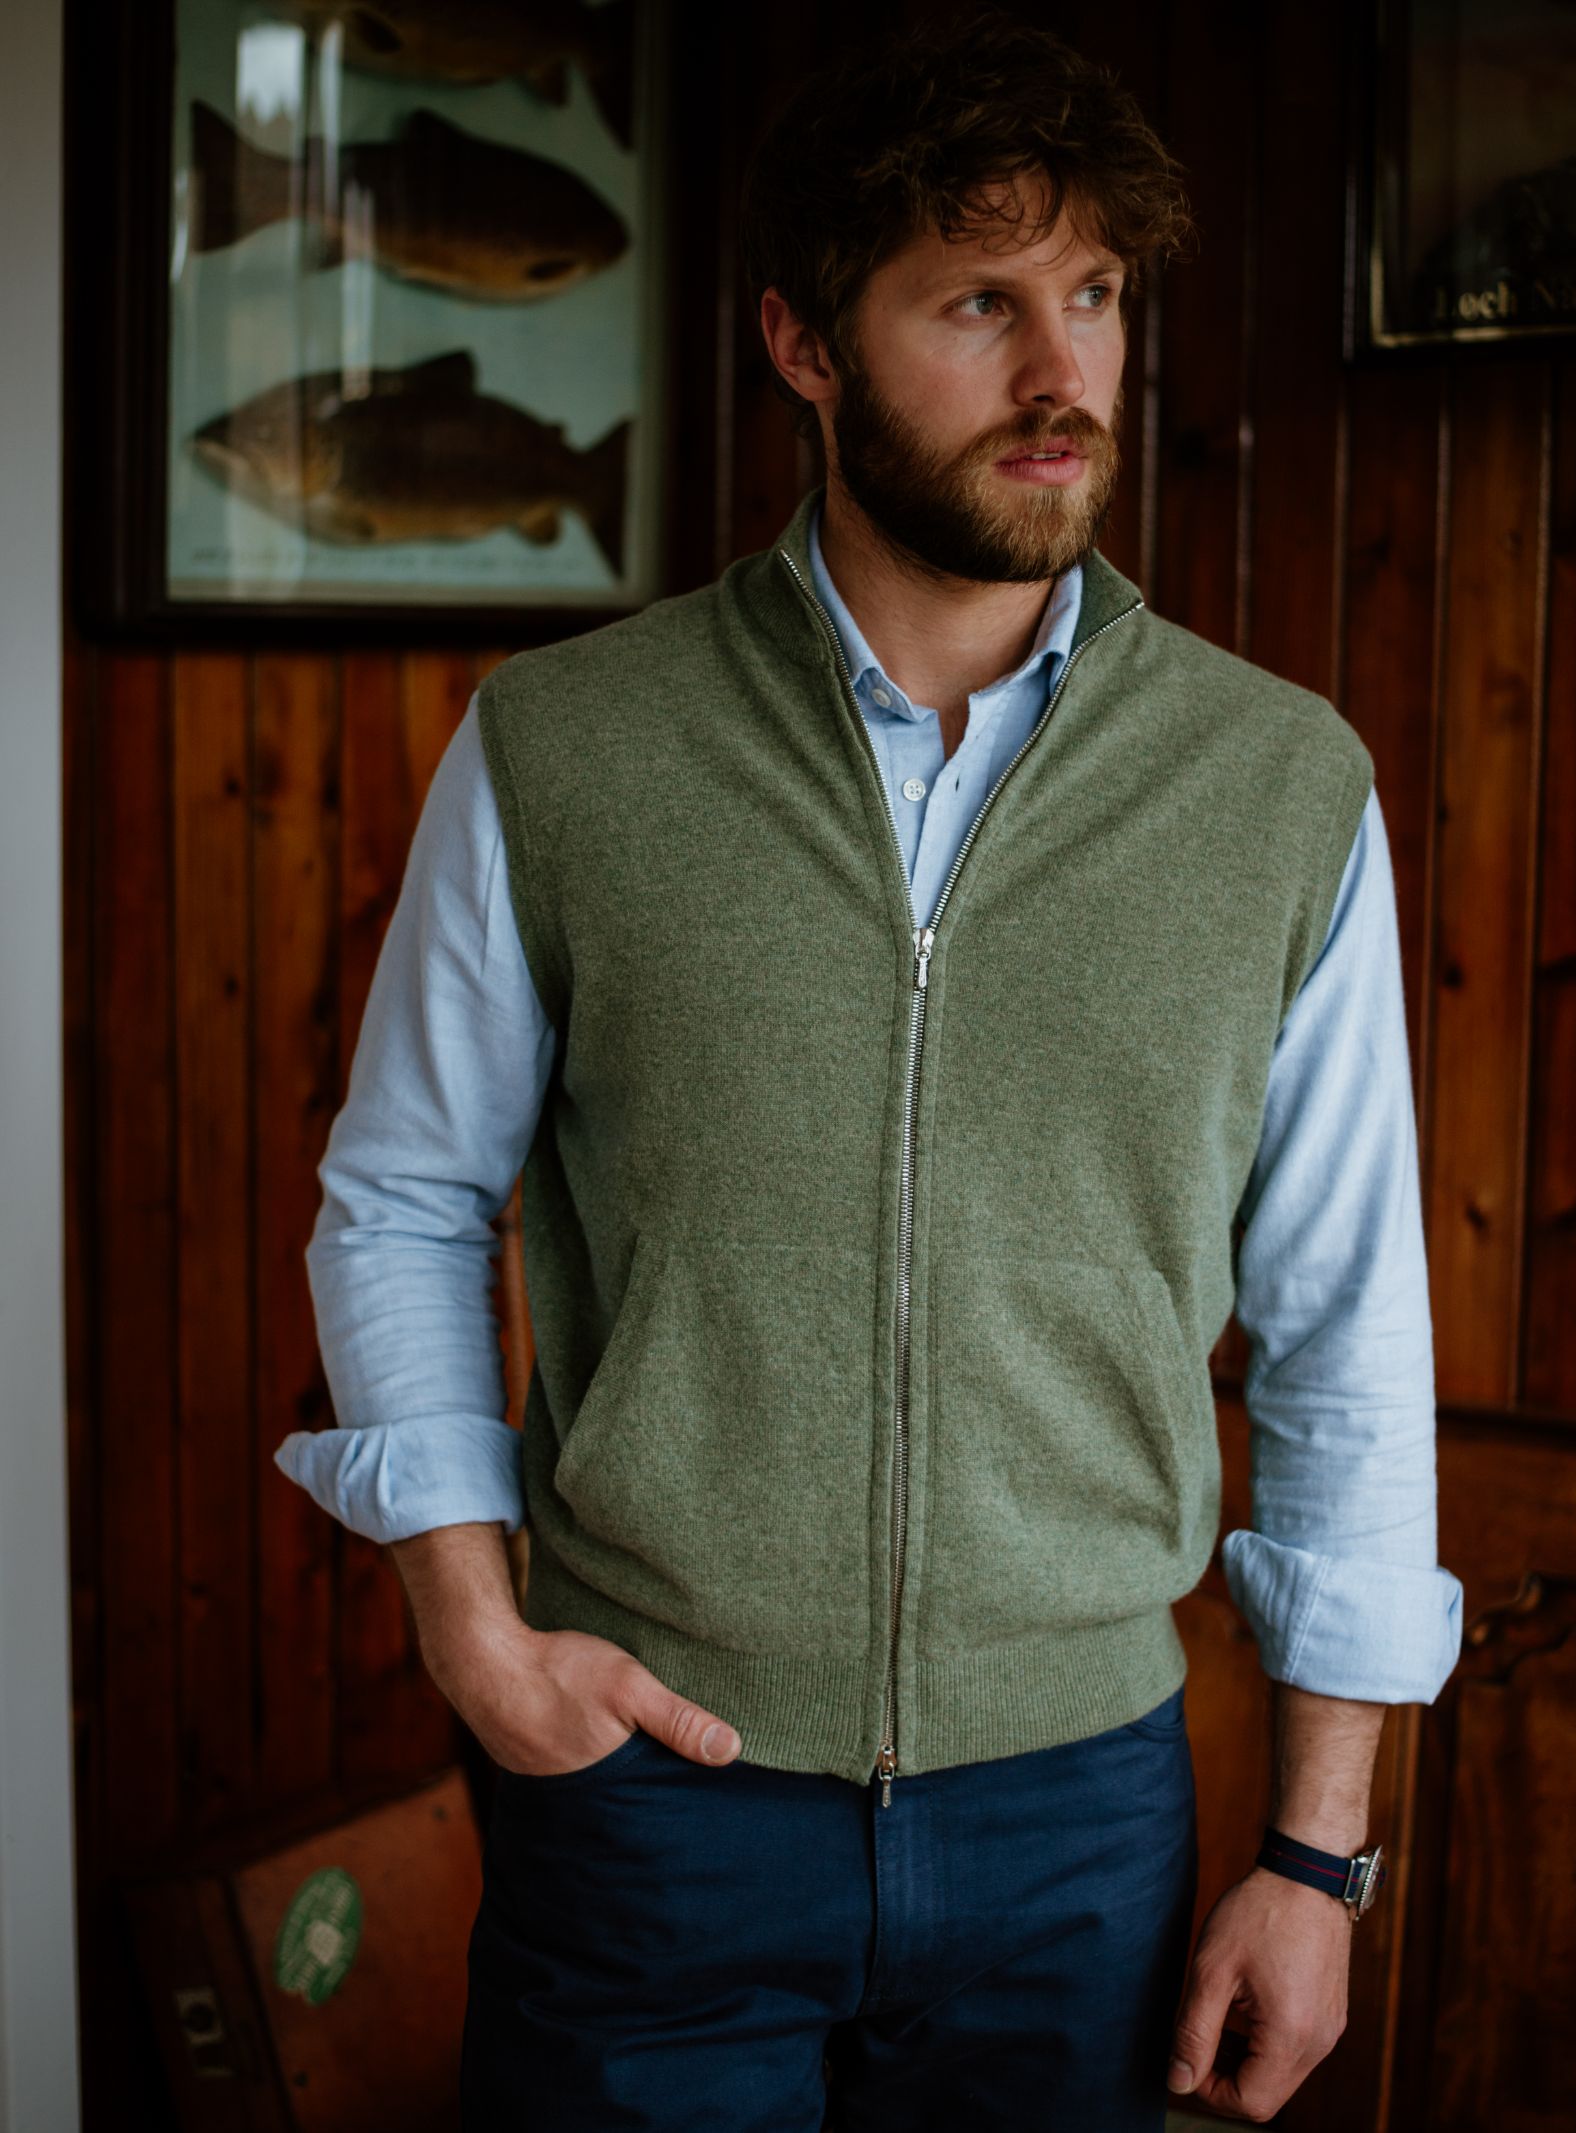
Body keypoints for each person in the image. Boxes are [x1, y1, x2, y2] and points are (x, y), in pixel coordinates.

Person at [275, 14, 1464, 2128]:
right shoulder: (564, 749)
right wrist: (471, 1621)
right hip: (650, 1788)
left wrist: (1311, 1852)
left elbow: (1346, 1327)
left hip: (1077, 1820)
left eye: (1090, 294)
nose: (1058, 369)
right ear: (803, 344)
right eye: (975, 300)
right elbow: (401, 1193)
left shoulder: (1278, 788)